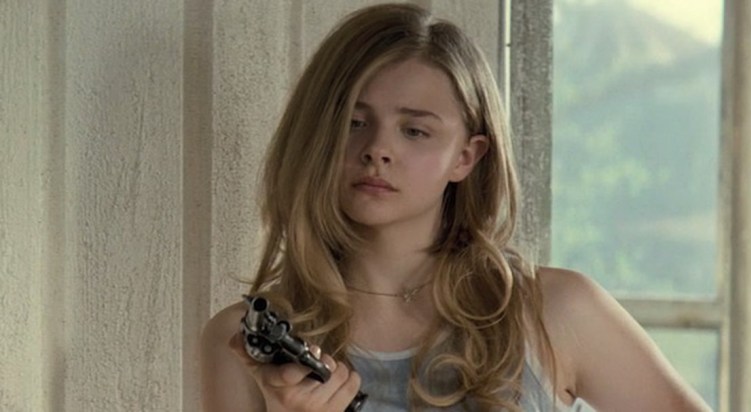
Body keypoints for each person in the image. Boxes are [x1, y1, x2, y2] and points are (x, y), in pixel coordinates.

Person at [199, 3, 712, 411]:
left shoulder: (558, 312)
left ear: (467, 156)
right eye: (354, 122)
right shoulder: (239, 343)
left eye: (414, 130)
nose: (377, 149)